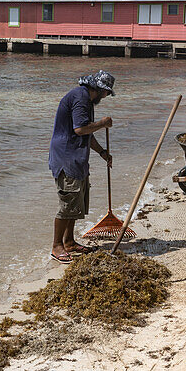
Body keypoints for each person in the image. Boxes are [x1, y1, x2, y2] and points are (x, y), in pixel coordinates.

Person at [48, 70, 115, 263]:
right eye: (107, 93)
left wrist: (102, 152)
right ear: (100, 89)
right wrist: (102, 123)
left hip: (77, 158)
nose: (106, 97)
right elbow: (79, 129)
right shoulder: (80, 99)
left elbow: (86, 133)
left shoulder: (86, 100)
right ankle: (56, 247)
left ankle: (69, 242)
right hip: (66, 158)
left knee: (76, 203)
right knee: (68, 203)